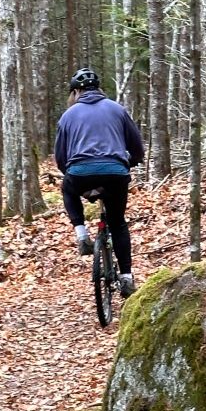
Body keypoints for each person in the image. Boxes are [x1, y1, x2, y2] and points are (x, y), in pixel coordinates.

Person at [54, 68, 144, 298]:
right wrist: (128, 163)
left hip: (80, 173)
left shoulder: (68, 116)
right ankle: (126, 278)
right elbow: (137, 148)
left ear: (76, 92)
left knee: (67, 187)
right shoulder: (117, 109)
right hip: (115, 173)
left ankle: (82, 234)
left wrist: (74, 173)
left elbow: (61, 158)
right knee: (118, 223)